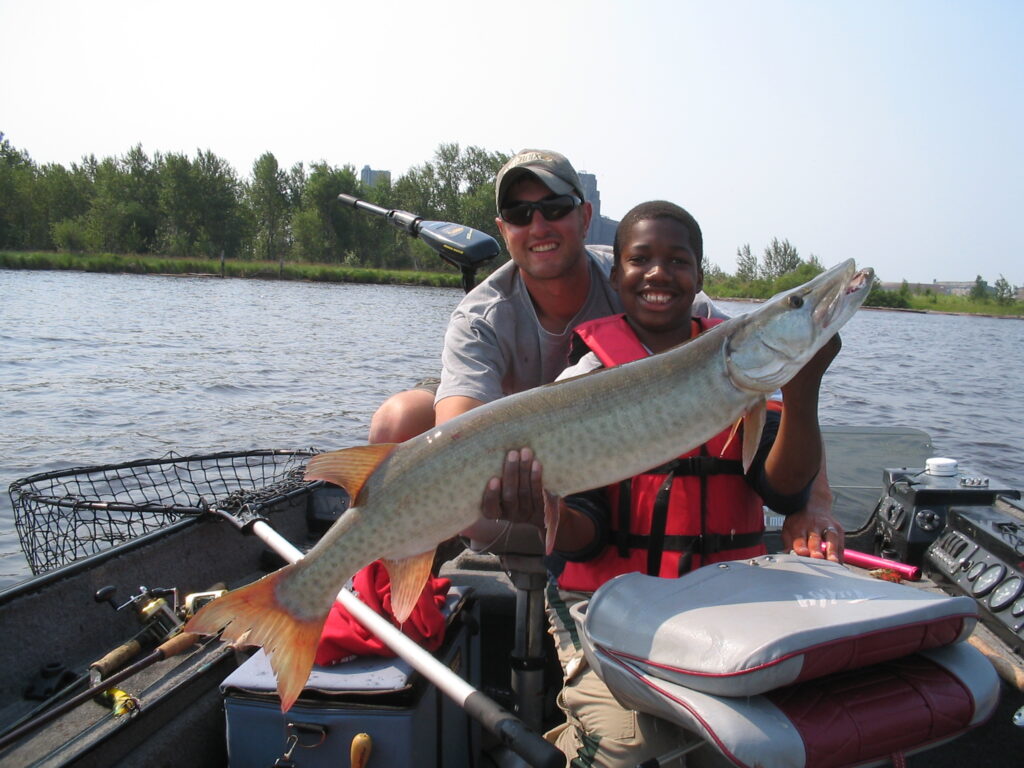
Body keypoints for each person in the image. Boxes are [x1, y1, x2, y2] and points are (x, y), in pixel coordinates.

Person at [369, 148, 843, 561]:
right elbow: (458, 435)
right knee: (401, 420)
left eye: (554, 208)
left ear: (584, 216)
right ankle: (394, 566)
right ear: (502, 228)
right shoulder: (480, 316)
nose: (538, 226)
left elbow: (768, 371)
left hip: (608, 453)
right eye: (519, 214)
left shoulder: (645, 283)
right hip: (528, 452)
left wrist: (816, 503)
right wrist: (510, 490)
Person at [524, 200, 838, 766]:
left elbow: (783, 492)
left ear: (698, 277)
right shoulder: (587, 380)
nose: (658, 273)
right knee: (636, 749)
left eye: (678, 260)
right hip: (607, 608)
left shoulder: (738, 364)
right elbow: (587, 536)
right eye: (640, 259)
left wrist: (802, 386)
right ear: (616, 276)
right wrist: (537, 505)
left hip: (723, 604)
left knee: (768, 742)